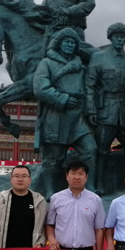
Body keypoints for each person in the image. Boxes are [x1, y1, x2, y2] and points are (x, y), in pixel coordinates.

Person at [33, 27, 97, 197]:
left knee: (90, 149)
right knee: (53, 157)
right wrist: (63, 99)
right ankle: (49, 190)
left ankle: (90, 186)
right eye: (66, 41)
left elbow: (89, 88)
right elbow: (40, 88)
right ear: (59, 44)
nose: (69, 45)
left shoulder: (80, 67)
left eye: (72, 42)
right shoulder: (47, 63)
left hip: (77, 116)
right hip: (56, 115)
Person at [84, 22, 125, 195]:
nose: (119, 40)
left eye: (122, 37)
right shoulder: (99, 57)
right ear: (110, 38)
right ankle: (98, 183)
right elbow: (89, 85)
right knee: (101, 150)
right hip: (105, 109)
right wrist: (91, 109)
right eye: (116, 37)